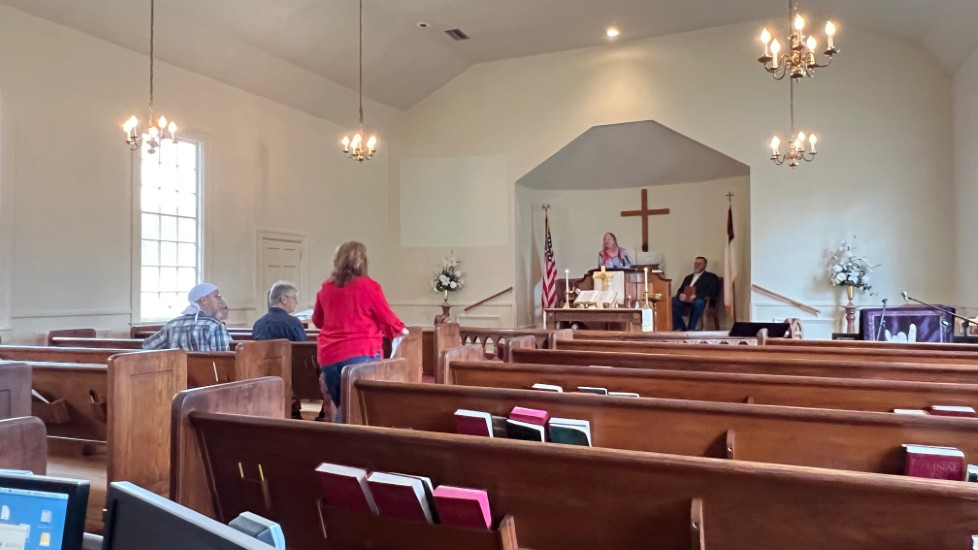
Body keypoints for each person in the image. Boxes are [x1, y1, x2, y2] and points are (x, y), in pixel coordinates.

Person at [312, 241, 406, 415]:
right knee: (360, 409)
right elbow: (387, 318)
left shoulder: (326, 288)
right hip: (361, 352)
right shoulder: (368, 286)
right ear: (361, 261)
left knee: (343, 407)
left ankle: (339, 431)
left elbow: (318, 320)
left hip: (329, 357)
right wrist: (401, 330)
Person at [143, 282, 232, 351]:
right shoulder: (215, 326)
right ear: (204, 300)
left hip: (178, 370)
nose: (220, 300)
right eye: (217, 297)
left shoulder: (171, 325)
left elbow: (147, 347)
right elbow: (224, 360)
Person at [672, 256, 720, 331]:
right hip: (685, 300)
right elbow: (681, 290)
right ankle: (680, 327)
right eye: (695, 263)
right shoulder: (688, 277)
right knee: (672, 301)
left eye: (699, 264)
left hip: (699, 299)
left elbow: (712, 291)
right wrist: (681, 295)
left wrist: (696, 296)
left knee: (698, 303)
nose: (697, 265)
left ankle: (691, 328)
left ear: (705, 265)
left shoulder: (711, 277)